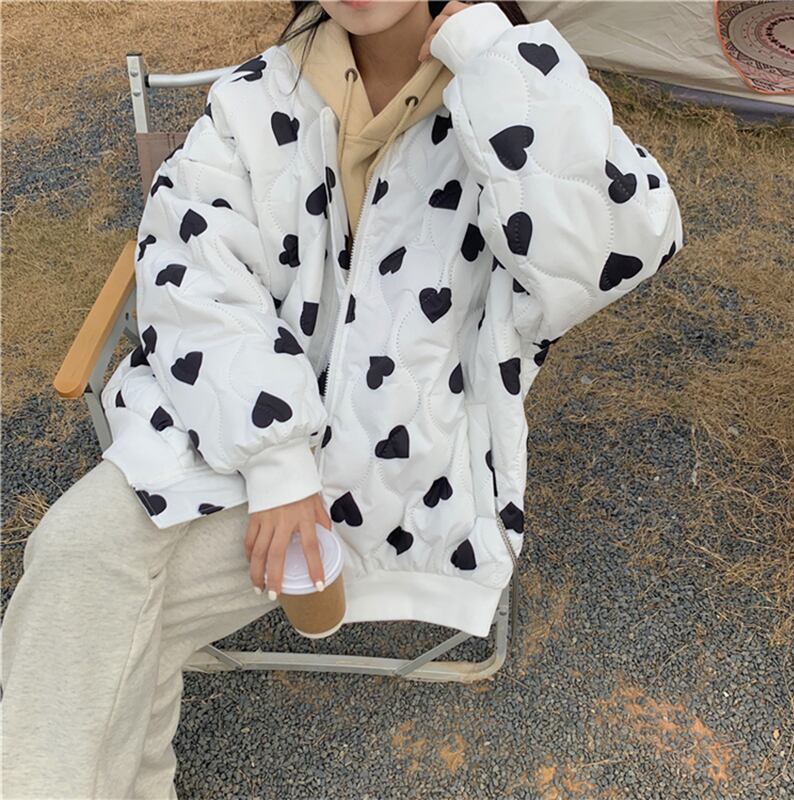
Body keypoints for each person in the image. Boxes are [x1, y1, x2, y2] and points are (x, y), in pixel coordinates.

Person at [1, 1, 685, 797]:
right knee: (77, 553)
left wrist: (493, 57)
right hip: (225, 422)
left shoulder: (508, 89)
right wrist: (277, 463)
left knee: (106, 625)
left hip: (397, 465)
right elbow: (194, 273)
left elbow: (622, 245)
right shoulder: (258, 97)